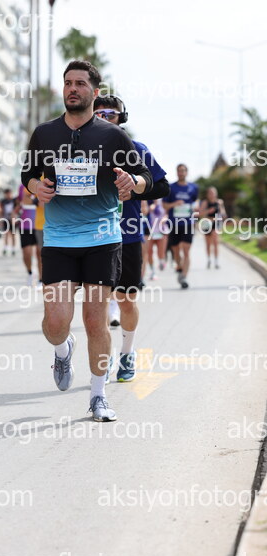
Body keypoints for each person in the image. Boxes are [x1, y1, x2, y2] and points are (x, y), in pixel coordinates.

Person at [21, 61, 153, 421]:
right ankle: (63, 349)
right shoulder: (44, 134)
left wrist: (133, 183)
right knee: (55, 323)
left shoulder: (113, 136)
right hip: (59, 239)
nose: (72, 89)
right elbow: (28, 174)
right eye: (67, 83)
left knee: (96, 320)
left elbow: (144, 176)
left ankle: (98, 396)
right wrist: (36, 187)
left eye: (80, 83)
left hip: (102, 238)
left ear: (94, 91)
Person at [93, 95, 169, 382]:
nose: (104, 118)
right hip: (93, 237)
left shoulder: (137, 150)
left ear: (121, 118)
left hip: (128, 236)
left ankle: (127, 353)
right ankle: (103, 356)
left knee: (126, 301)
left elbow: (162, 187)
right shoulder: (81, 150)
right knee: (98, 304)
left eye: (110, 114)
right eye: (99, 114)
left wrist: (135, 189)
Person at [163, 164, 199, 289]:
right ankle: (179, 265)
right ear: (177, 172)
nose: (181, 173)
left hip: (188, 223)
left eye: (183, 171)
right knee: (176, 251)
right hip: (174, 223)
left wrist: (195, 207)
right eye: (179, 171)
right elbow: (164, 206)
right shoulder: (171, 187)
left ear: (186, 172)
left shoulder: (193, 187)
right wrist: (175, 204)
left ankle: (184, 276)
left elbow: (195, 201)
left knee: (186, 250)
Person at [16, 184, 41, 286]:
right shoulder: (22, 186)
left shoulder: (45, 182)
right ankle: (30, 272)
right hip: (25, 225)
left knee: (40, 254)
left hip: (40, 225)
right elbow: (21, 202)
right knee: (26, 253)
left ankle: (41, 279)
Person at [199, 186, 226, 269]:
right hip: (207, 223)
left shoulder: (219, 202)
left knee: (216, 242)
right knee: (208, 244)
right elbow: (200, 214)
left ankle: (216, 261)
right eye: (210, 193)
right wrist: (208, 211)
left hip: (216, 223)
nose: (212, 194)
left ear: (216, 194)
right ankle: (209, 260)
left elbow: (223, 213)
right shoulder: (205, 202)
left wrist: (222, 212)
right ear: (207, 194)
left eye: (213, 193)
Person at [147, 199, 168, 279]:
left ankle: (161, 261)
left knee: (161, 251)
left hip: (161, 230)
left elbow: (167, 214)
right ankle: (153, 271)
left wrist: (164, 219)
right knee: (149, 252)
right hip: (150, 230)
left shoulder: (162, 201)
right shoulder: (147, 200)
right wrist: (150, 208)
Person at [0, 188, 17, 256]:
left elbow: (17, 208)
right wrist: (1, 220)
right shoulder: (3, 201)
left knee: (13, 234)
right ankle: (6, 247)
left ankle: (13, 248)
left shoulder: (14, 200)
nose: (8, 195)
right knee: (6, 234)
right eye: (7, 194)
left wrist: (14, 216)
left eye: (9, 193)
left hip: (13, 219)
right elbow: (1, 210)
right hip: (6, 219)